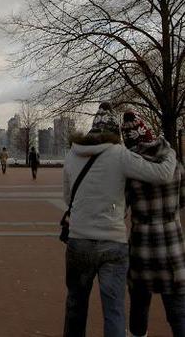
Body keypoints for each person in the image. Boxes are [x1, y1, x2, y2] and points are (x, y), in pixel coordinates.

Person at [63, 101, 177, 337]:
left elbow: (68, 199)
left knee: (76, 305)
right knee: (113, 310)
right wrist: (170, 151)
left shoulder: (72, 155)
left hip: (79, 240)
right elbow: (162, 174)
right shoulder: (119, 155)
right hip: (112, 243)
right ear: (115, 132)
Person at [121, 109, 185, 337]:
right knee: (178, 313)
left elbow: (122, 208)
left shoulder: (131, 170)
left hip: (142, 248)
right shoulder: (174, 164)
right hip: (172, 247)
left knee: (139, 309)